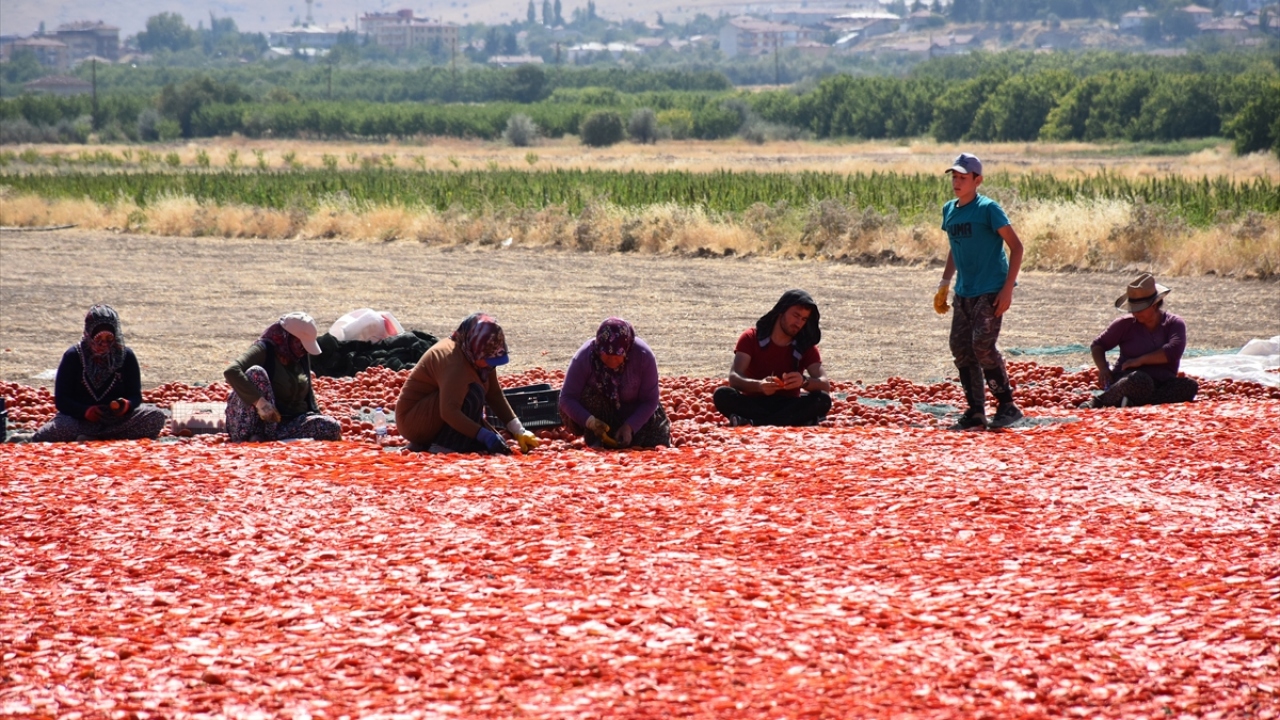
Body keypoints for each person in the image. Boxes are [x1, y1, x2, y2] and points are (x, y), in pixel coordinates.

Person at [934, 152, 1025, 430]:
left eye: (963, 178)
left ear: (978, 180)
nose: (957, 182)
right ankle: (975, 411)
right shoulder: (949, 210)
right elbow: (954, 246)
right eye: (954, 177)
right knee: (960, 347)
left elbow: (1017, 247)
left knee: (982, 345)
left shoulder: (988, 209)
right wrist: (944, 283)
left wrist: (1007, 289)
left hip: (990, 289)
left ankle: (1007, 405)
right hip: (964, 291)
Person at [395, 312, 539, 455]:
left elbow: (494, 394)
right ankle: (442, 446)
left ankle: (442, 442)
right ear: (475, 348)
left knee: (494, 446)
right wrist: (483, 434)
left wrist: (519, 430)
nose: (490, 365)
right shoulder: (454, 363)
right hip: (413, 421)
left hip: (435, 413)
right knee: (473, 392)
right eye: (488, 359)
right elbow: (449, 411)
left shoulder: (479, 358)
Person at [33, 304, 167, 442]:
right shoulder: (73, 356)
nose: (104, 345)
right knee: (55, 431)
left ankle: (95, 438)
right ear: (89, 335)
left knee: (155, 416)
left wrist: (127, 405)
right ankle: (104, 437)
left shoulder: (126, 356)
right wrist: (85, 412)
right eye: (98, 339)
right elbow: (62, 401)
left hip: (117, 422)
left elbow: (135, 395)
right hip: (80, 422)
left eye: (109, 339)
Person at [712, 290, 832, 427]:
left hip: (788, 404)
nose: (799, 323)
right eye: (796, 315)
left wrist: (803, 382)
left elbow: (824, 384)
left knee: (822, 400)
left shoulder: (805, 345)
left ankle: (754, 422)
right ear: (781, 311)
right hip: (754, 402)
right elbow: (734, 377)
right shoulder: (751, 338)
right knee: (722, 394)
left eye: (804, 319)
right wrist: (759, 386)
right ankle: (795, 421)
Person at [1082, 273, 1199, 409]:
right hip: (1130, 380)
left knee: (1189, 386)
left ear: (1154, 305)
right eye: (1133, 309)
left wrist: (1140, 360)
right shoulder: (1125, 324)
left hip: (1163, 383)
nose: (1135, 313)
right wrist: (1103, 368)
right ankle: (1099, 402)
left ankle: (1132, 402)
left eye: (1140, 309)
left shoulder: (1174, 323)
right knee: (1141, 380)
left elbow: (1173, 351)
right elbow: (1098, 345)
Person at [224, 312, 342, 442]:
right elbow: (231, 371)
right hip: (251, 423)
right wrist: (260, 402)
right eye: (301, 344)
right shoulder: (265, 350)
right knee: (256, 373)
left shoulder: (300, 355)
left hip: (283, 425)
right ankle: (253, 435)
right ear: (288, 337)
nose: (304, 350)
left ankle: (269, 439)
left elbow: (309, 394)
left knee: (330, 426)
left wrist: (317, 416)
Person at [560, 317, 671, 448]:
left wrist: (630, 426)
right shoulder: (585, 357)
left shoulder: (643, 356)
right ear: (598, 348)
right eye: (606, 354)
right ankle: (596, 436)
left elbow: (650, 400)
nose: (611, 360)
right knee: (588, 395)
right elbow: (567, 398)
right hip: (600, 414)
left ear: (627, 349)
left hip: (634, 410)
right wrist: (591, 422)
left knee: (656, 443)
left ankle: (622, 434)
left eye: (618, 354)